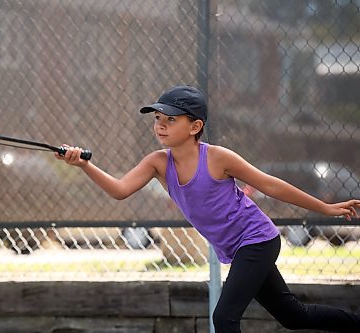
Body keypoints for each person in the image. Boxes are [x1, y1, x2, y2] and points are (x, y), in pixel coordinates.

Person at [55, 84, 360, 332]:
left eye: (170, 119)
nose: (160, 125)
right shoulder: (158, 163)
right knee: (295, 317)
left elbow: (271, 185)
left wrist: (325, 207)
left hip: (257, 240)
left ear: (195, 126)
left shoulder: (217, 158)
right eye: (157, 119)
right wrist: (84, 165)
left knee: (224, 318)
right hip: (241, 247)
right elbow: (120, 190)